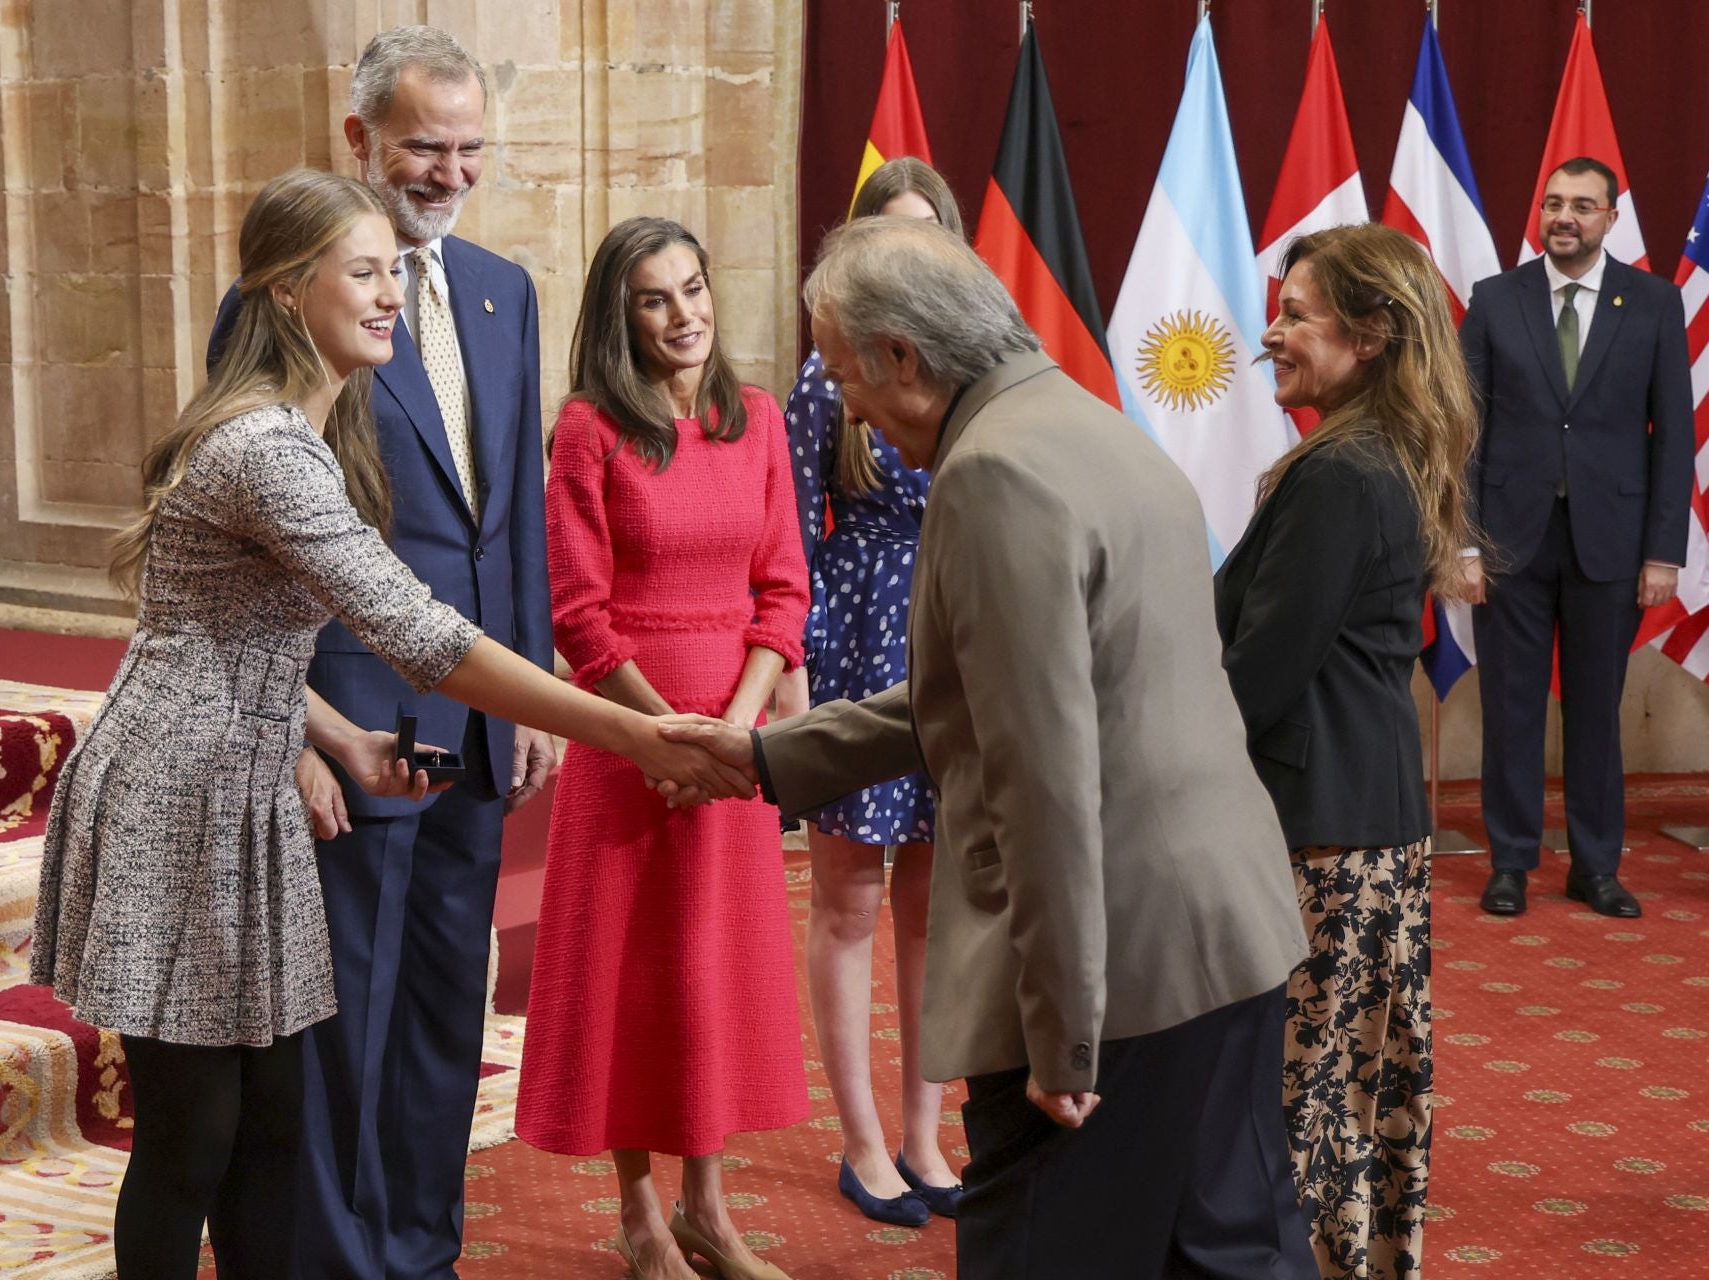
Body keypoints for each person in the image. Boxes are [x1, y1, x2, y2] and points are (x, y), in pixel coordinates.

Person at [31, 169, 747, 1280]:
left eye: (393, 276)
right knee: (193, 1136)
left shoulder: (313, 434)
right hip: (177, 794)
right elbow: (422, 634)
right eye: (364, 275)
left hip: (253, 767)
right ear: (282, 293)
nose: (391, 298)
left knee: (272, 1123)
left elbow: (233, 627)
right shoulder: (269, 447)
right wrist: (634, 733)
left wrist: (343, 738)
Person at [663, 217, 1315, 1280]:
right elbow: (980, 698)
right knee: (1226, 1251)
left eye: (844, 375)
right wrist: (763, 756)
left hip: (1117, 974)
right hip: (1225, 930)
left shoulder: (990, 474)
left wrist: (1065, 1032)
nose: (852, 410)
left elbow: (1043, 772)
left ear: (903, 358)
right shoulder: (1086, 421)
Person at [206, 28, 559, 1277]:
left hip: (474, 724)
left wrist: (531, 710)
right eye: (423, 146)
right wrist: (292, 724)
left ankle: (420, 1247)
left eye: (470, 149)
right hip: (352, 725)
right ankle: (333, 1255)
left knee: (442, 1010)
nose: (450, 172)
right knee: (343, 1016)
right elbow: (245, 542)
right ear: (358, 138)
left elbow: (509, 515)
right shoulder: (289, 299)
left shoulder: (507, 291)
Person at [512, 216, 811, 1280]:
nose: (685, 314)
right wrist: (659, 737)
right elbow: (580, 615)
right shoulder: (591, 430)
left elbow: (783, 590)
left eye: (694, 289)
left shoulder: (759, 419)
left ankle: (711, 1212)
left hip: (733, 743)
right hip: (630, 739)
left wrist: (736, 725)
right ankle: (643, 1215)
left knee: (709, 975)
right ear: (621, 315)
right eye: (656, 298)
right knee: (630, 977)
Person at [1217, 223, 1480, 1278]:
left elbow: (1258, 678)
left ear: (1371, 334)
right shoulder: (1383, 451)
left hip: (1319, 833)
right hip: (1365, 821)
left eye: (1295, 314)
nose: (1269, 333)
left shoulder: (1338, 471)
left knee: (1303, 1101)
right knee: (1353, 1095)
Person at [772, 156, 964, 1227]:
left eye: (925, 236)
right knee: (847, 897)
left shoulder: (974, 367)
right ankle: (859, 1140)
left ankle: (927, 1131)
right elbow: (792, 535)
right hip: (855, 641)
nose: (907, 256)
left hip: (957, 634)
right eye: (886, 238)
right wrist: (796, 681)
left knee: (936, 905)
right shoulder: (824, 376)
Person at [1462, 157, 1694, 921]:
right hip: (1508, 542)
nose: (1565, 216)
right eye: (1554, 203)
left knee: (1597, 712)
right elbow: (1465, 432)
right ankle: (1512, 863)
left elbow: (1674, 437)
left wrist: (1664, 552)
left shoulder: (1655, 304)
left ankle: (1596, 866)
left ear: (1610, 217)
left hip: (1613, 543)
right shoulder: (1496, 300)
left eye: (1583, 205)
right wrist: (1464, 543)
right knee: (1513, 708)